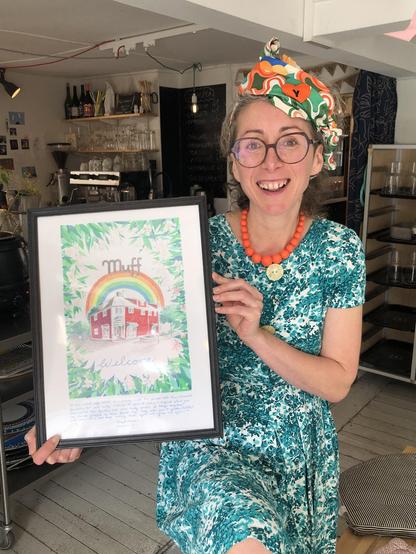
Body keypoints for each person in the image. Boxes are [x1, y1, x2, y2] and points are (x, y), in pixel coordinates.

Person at [26, 37, 366, 553]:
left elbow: (337, 382)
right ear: (235, 161)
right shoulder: (187, 241)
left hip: (299, 453)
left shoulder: (339, 249)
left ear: (317, 157)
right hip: (210, 450)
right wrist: (74, 422)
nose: (271, 162)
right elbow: (133, 346)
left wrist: (258, 336)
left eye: (291, 142)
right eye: (252, 144)